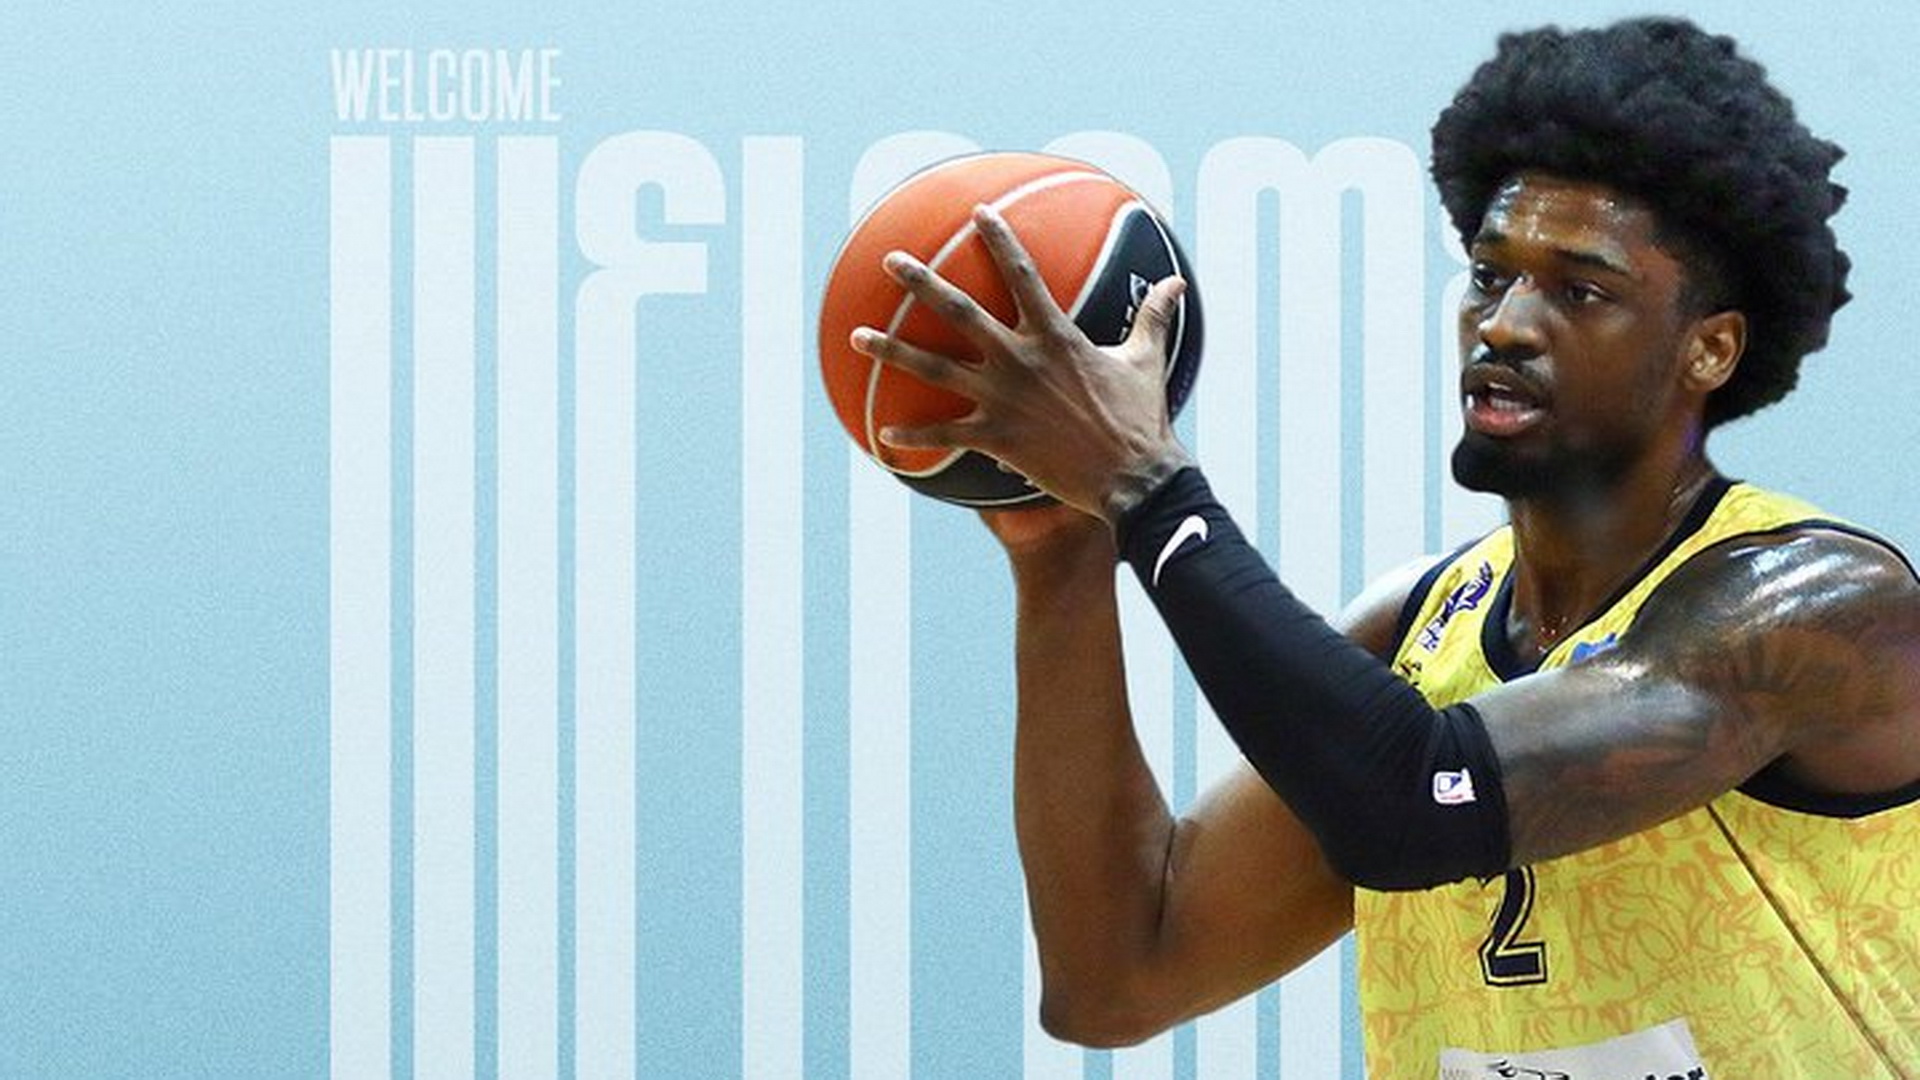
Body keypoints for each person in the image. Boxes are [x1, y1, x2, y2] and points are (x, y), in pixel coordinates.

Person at [846, 16, 1920, 1080]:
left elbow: (1417, 805)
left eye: (1580, 290)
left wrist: (1146, 487)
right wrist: (1062, 553)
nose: (1505, 324)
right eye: (1490, 276)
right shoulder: (1419, 628)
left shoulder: (1825, 609)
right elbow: (1120, 978)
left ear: (1710, 349)